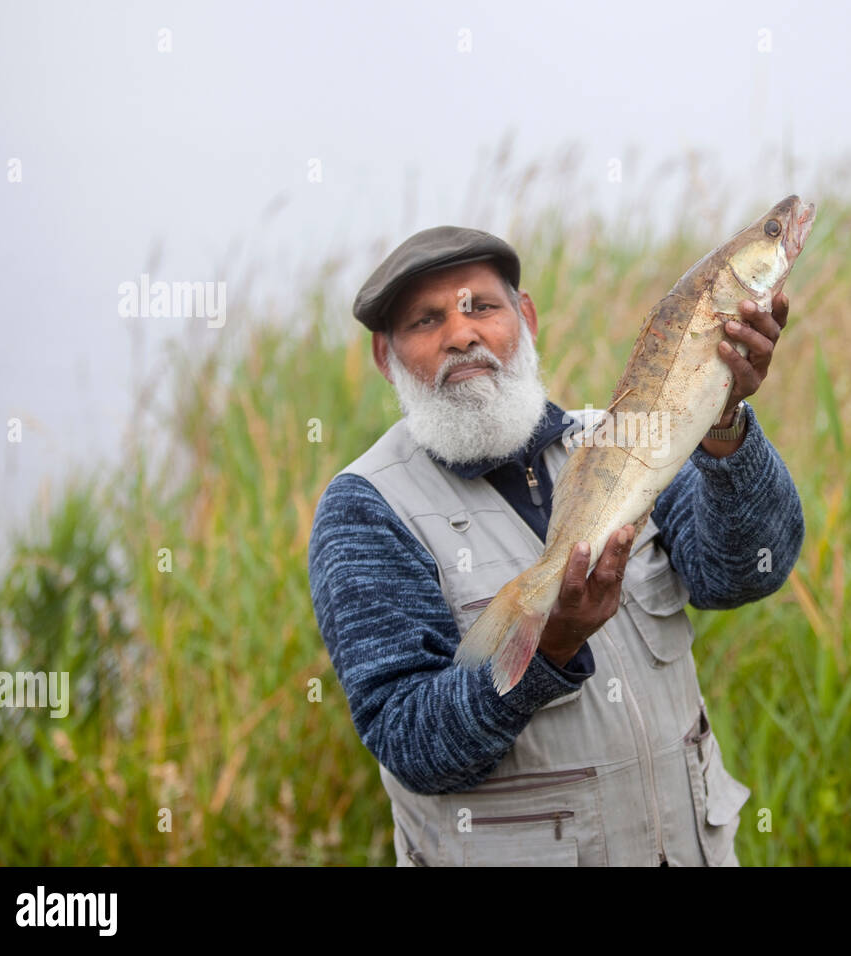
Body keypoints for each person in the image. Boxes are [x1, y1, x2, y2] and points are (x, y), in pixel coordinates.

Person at [307, 224, 804, 866]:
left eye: (481, 307)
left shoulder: (629, 437)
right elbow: (410, 741)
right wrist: (550, 646)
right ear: (387, 357)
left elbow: (743, 574)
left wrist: (724, 420)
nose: (461, 334)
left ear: (526, 317)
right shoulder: (366, 508)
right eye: (425, 322)